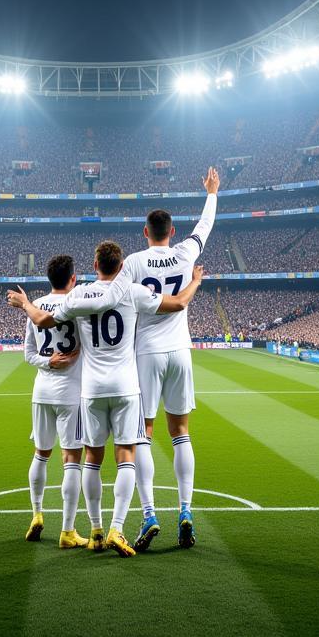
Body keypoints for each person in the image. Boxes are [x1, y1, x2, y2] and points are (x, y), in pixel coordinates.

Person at [10, 241, 204, 558]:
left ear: (95, 264)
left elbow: (42, 321)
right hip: (127, 386)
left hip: (91, 389)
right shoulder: (133, 290)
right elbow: (179, 303)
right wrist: (194, 280)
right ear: (122, 264)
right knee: (126, 454)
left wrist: (25, 304)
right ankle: (118, 527)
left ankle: (97, 531)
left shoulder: (80, 294)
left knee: (92, 459)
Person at [118, 165, 218, 551]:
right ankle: (186, 510)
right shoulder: (185, 252)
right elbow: (205, 227)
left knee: (143, 434)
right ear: (172, 231)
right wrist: (211, 192)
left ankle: (148, 514)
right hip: (181, 353)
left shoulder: (133, 263)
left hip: (146, 354)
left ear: (146, 232)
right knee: (182, 433)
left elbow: (116, 298)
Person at [20, 254, 87, 549]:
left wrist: (49, 362)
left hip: (41, 391)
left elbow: (28, 354)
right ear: (72, 278)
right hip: (70, 391)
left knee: (40, 454)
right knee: (72, 459)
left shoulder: (34, 307)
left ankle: (36, 513)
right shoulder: (77, 305)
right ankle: (68, 530)